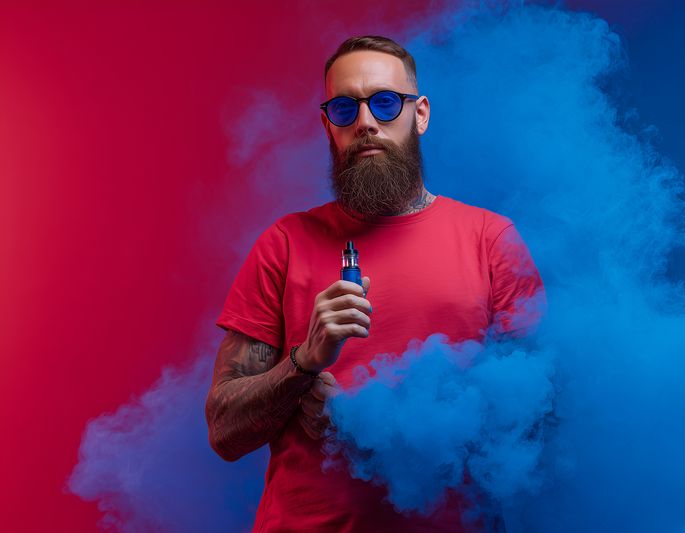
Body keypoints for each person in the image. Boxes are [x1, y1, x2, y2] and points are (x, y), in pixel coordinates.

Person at [205, 35, 546, 532]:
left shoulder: (492, 241)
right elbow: (224, 433)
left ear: (421, 113)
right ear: (328, 126)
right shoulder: (285, 242)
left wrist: (364, 422)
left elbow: (540, 424)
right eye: (345, 109)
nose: (365, 123)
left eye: (385, 103)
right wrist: (302, 364)